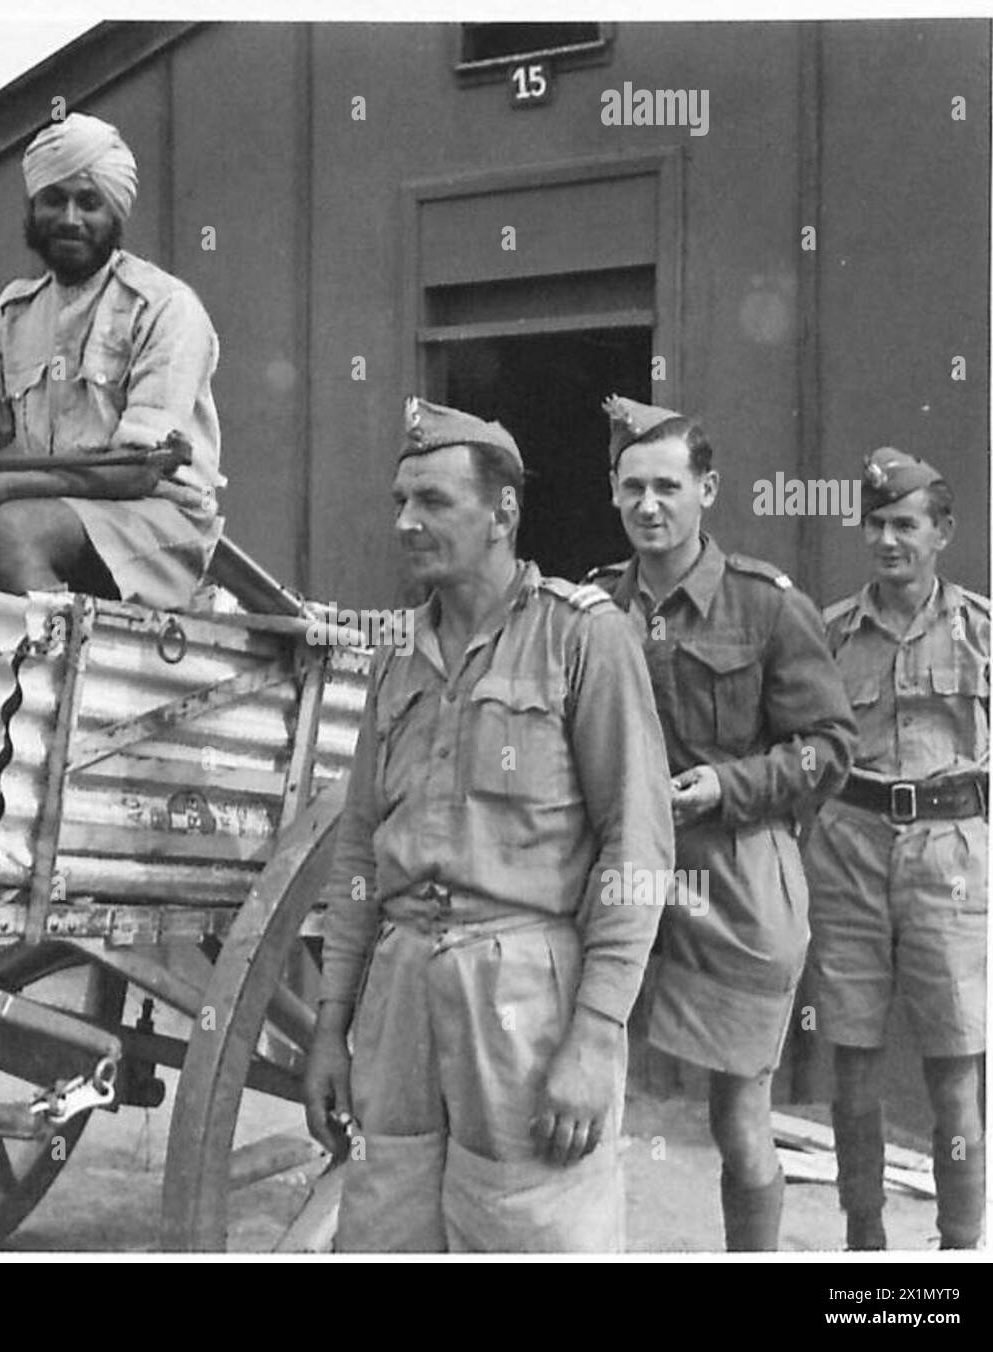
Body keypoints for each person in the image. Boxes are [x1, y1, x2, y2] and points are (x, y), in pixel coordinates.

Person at [303, 396, 674, 1252]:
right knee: (388, 1227)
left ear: (502, 511)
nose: (406, 522)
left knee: (531, 1226)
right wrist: (331, 1028)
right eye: (401, 501)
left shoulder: (582, 639)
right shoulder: (398, 657)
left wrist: (594, 1037)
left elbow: (639, 846)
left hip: (525, 1003)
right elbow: (359, 847)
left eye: (433, 502)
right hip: (399, 997)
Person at [589, 394, 856, 1250]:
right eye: (632, 487)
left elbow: (828, 750)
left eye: (668, 485)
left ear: (709, 489)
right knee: (590, 1086)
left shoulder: (769, 607)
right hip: (623, 879)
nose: (649, 506)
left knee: (739, 1117)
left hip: (737, 882)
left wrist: (729, 785)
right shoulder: (592, 608)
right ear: (614, 492)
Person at [0, 112, 223, 606]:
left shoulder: (165, 307)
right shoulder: (13, 315)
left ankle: (54, 675)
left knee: (15, 530)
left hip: (157, 521)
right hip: (44, 508)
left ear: (115, 214)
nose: (71, 219)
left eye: (89, 202)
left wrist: (2, 487)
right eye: (55, 200)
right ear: (34, 208)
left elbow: (139, 469)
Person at [804, 448, 988, 1250]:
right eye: (875, 524)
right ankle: (865, 1246)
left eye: (904, 524)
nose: (887, 540)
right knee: (852, 1060)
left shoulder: (985, 631)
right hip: (850, 843)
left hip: (952, 854)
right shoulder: (829, 633)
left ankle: (959, 1247)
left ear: (941, 532)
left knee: (956, 1064)